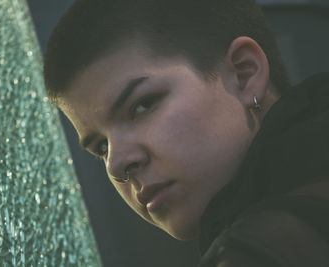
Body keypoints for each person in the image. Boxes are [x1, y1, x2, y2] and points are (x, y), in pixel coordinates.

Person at [43, 0, 329, 265]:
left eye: (143, 106)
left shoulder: (263, 249)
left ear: (245, 74)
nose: (117, 164)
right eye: (101, 147)